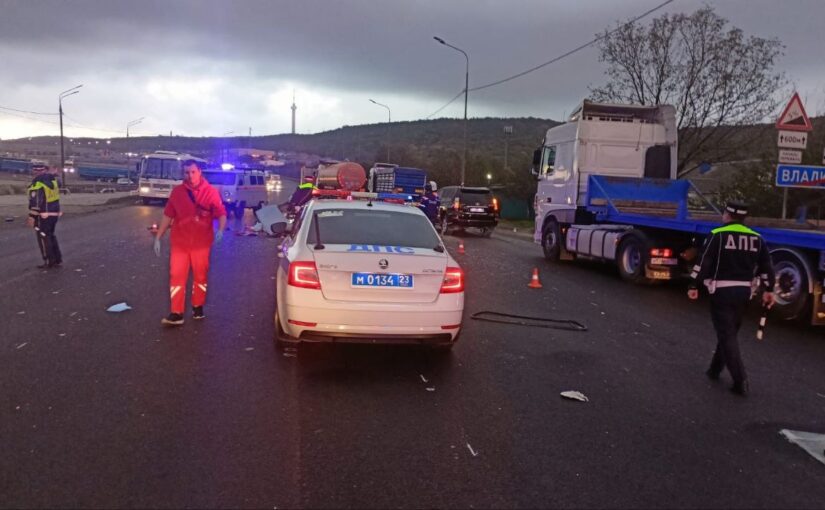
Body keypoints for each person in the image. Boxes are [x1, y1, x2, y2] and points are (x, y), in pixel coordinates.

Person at [688, 201, 775, 396]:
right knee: (729, 333)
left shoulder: (717, 235)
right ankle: (714, 369)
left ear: (727, 214)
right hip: (745, 293)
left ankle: (740, 379)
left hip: (722, 292)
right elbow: (766, 266)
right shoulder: (757, 238)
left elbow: (704, 262)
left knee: (726, 334)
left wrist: (693, 285)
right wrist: (769, 289)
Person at [153, 160, 227, 326]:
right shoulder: (177, 192)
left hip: (201, 244)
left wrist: (221, 230)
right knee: (176, 277)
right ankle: (176, 312)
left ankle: (198, 306)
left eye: (193, 172)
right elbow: (168, 215)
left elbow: (221, 213)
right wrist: (159, 236)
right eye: (186, 172)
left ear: (199, 171)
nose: (190, 175)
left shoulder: (211, 192)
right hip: (180, 243)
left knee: (200, 277)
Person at [26, 163, 62, 268]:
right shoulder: (53, 181)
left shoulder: (38, 184)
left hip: (43, 215)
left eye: (35, 171)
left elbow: (36, 204)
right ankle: (57, 259)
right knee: (51, 235)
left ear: (36, 171)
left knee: (43, 237)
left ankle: (48, 260)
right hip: (54, 213)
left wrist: (32, 217)